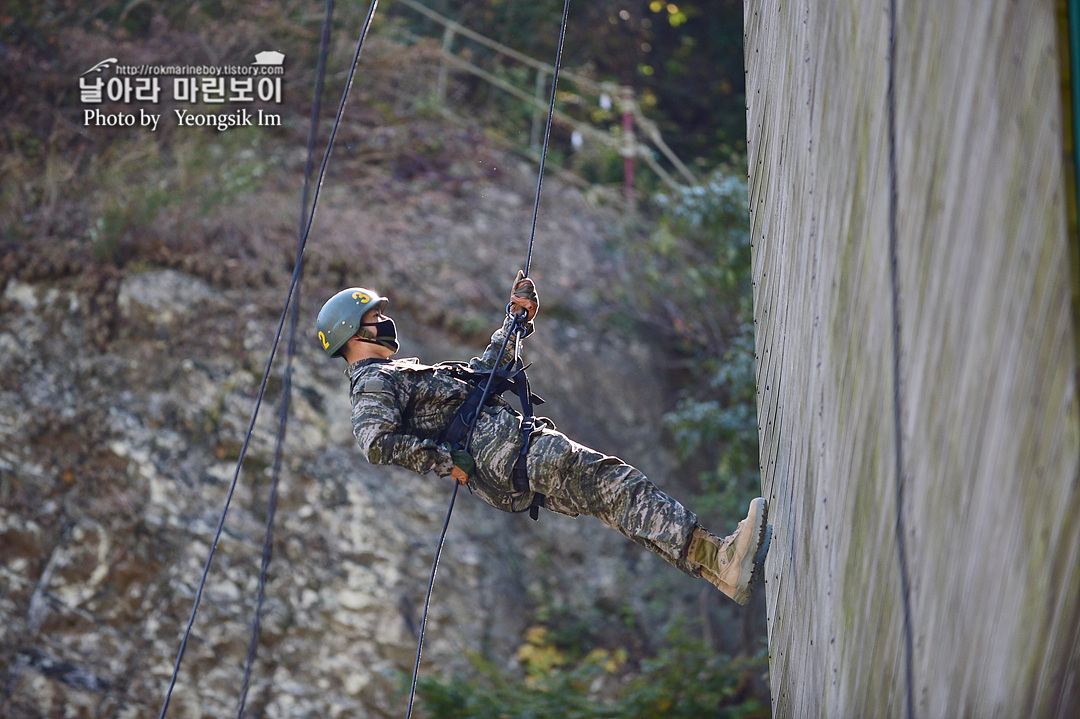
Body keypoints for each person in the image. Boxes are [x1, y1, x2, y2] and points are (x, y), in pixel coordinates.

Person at [316, 274, 772, 604]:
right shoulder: (373, 382)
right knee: (617, 483)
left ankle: (719, 568)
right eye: (375, 316)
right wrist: (442, 461)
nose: (385, 320)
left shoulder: (396, 374)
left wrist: (514, 321)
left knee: (613, 501)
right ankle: (720, 560)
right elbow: (375, 442)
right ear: (353, 333)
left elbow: (484, 377)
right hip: (513, 455)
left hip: (511, 459)